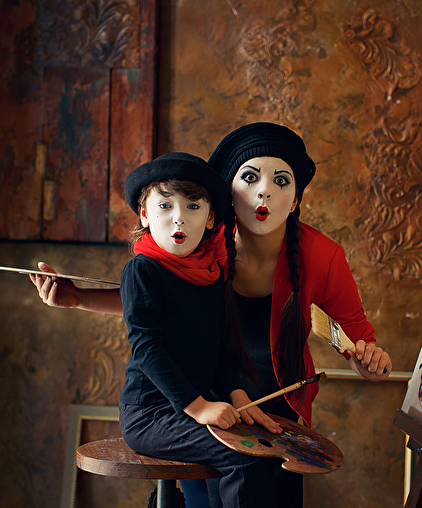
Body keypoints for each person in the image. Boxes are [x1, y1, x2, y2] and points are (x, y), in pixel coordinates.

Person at [30, 123, 393, 507]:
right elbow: (157, 307)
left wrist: (366, 359)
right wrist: (78, 298)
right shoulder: (201, 241)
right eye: (250, 178)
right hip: (202, 400)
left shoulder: (322, 255)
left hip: (278, 407)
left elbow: (356, 339)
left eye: (281, 181)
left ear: (296, 200)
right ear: (228, 195)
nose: (264, 191)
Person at [116, 152, 279, 508]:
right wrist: (198, 406)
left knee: (263, 449)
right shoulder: (142, 270)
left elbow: (215, 347)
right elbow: (147, 349)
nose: (179, 217)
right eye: (165, 206)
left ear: (210, 219)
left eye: (192, 206)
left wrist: (238, 395)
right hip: (151, 415)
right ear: (144, 215)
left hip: (191, 407)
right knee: (243, 455)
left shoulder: (211, 274)